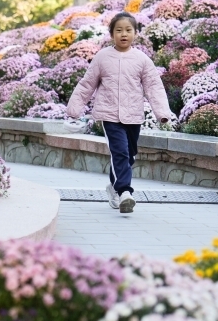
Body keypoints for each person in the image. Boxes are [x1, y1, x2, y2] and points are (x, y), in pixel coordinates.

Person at [66, 12, 174, 214]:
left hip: (133, 115)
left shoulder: (142, 59)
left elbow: (154, 87)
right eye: (119, 30)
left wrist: (162, 113)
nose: (124, 34)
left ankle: (113, 186)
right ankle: (125, 191)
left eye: (128, 30)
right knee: (120, 152)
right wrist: (73, 110)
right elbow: (87, 84)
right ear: (111, 34)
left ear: (135, 33)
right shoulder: (102, 57)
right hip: (109, 115)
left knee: (129, 155)